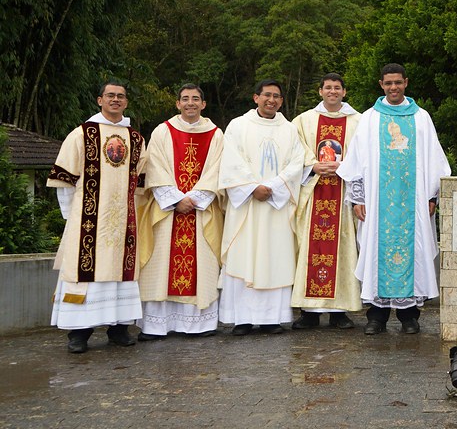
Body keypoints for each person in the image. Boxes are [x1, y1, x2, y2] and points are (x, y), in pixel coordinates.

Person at [337, 63, 451, 334]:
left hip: (414, 201)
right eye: (388, 83)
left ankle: (409, 316)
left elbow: (434, 159)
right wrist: (358, 198)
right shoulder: (370, 118)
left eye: (398, 83)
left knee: (415, 251)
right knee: (375, 249)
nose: (393, 88)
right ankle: (377, 316)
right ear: (381, 85)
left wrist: (432, 195)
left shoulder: (421, 117)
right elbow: (356, 160)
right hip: (378, 203)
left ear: (406, 83)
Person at [47, 81, 147, 353]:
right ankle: (79, 334)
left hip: (123, 221)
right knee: (83, 274)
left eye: (121, 96)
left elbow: (140, 187)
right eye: (110, 95)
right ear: (99, 99)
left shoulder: (136, 139)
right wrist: (72, 217)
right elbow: (65, 181)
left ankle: (119, 329)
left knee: (120, 272)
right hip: (87, 221)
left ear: (126, 102)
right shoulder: (81, 134)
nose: (116, 100)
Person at [218, 79, 305, 335]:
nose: (272, 100)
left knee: (274, 257)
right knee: (243, 255)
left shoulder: (289, 129)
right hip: (246, 205)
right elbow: (231, 160)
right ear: (255, 97)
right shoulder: (238, 125)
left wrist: (274, 186)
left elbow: (296, 163)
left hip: (276, 207)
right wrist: (252, 188)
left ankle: (272, 319)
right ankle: (241, 319)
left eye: (277, 96)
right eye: (267, 95)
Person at [137, 84, 224, 340]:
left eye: (195, 99)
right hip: (167, 212)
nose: (190, 103)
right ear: (177, 104)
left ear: (203, 104)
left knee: (202, 264)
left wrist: (195, 198)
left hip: (201, 212)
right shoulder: (162, 131)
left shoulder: (216, 134)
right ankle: (156, 326)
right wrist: (176, 199)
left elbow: (217, 169)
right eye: (185, 99)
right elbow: (155, 167)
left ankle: (199, 325)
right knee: (160, 262)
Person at [290, 73, 363, 330]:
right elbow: (293, 152)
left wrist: (342, 166)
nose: (332, 91)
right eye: (328, 87)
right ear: (320, 91)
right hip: (313, 193)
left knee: (343, 248)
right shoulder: (304, 121)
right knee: (310, 248)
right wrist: (313, 165)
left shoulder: (358, 122)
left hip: (343, 197)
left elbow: (364, 156)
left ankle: (339, 311)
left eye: (337, 88)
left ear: (344, 92)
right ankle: (308, 311)